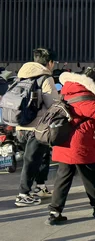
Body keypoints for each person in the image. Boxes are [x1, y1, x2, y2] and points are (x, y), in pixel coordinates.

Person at [47, 70, 95, 225]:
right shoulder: (83, 95)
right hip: (79, 143)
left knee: (63, 178)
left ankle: (55, 212)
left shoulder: (69, 90)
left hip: (65, 142)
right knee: (89, 176)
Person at [15, 48, 58, 207]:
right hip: (37, 128)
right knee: (31, 160)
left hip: (20, 126)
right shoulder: (45, 78)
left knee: (42, 155)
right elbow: (53, 104)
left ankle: (40, 186)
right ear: (50, 62)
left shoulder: (21, 76)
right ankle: (23, 194)